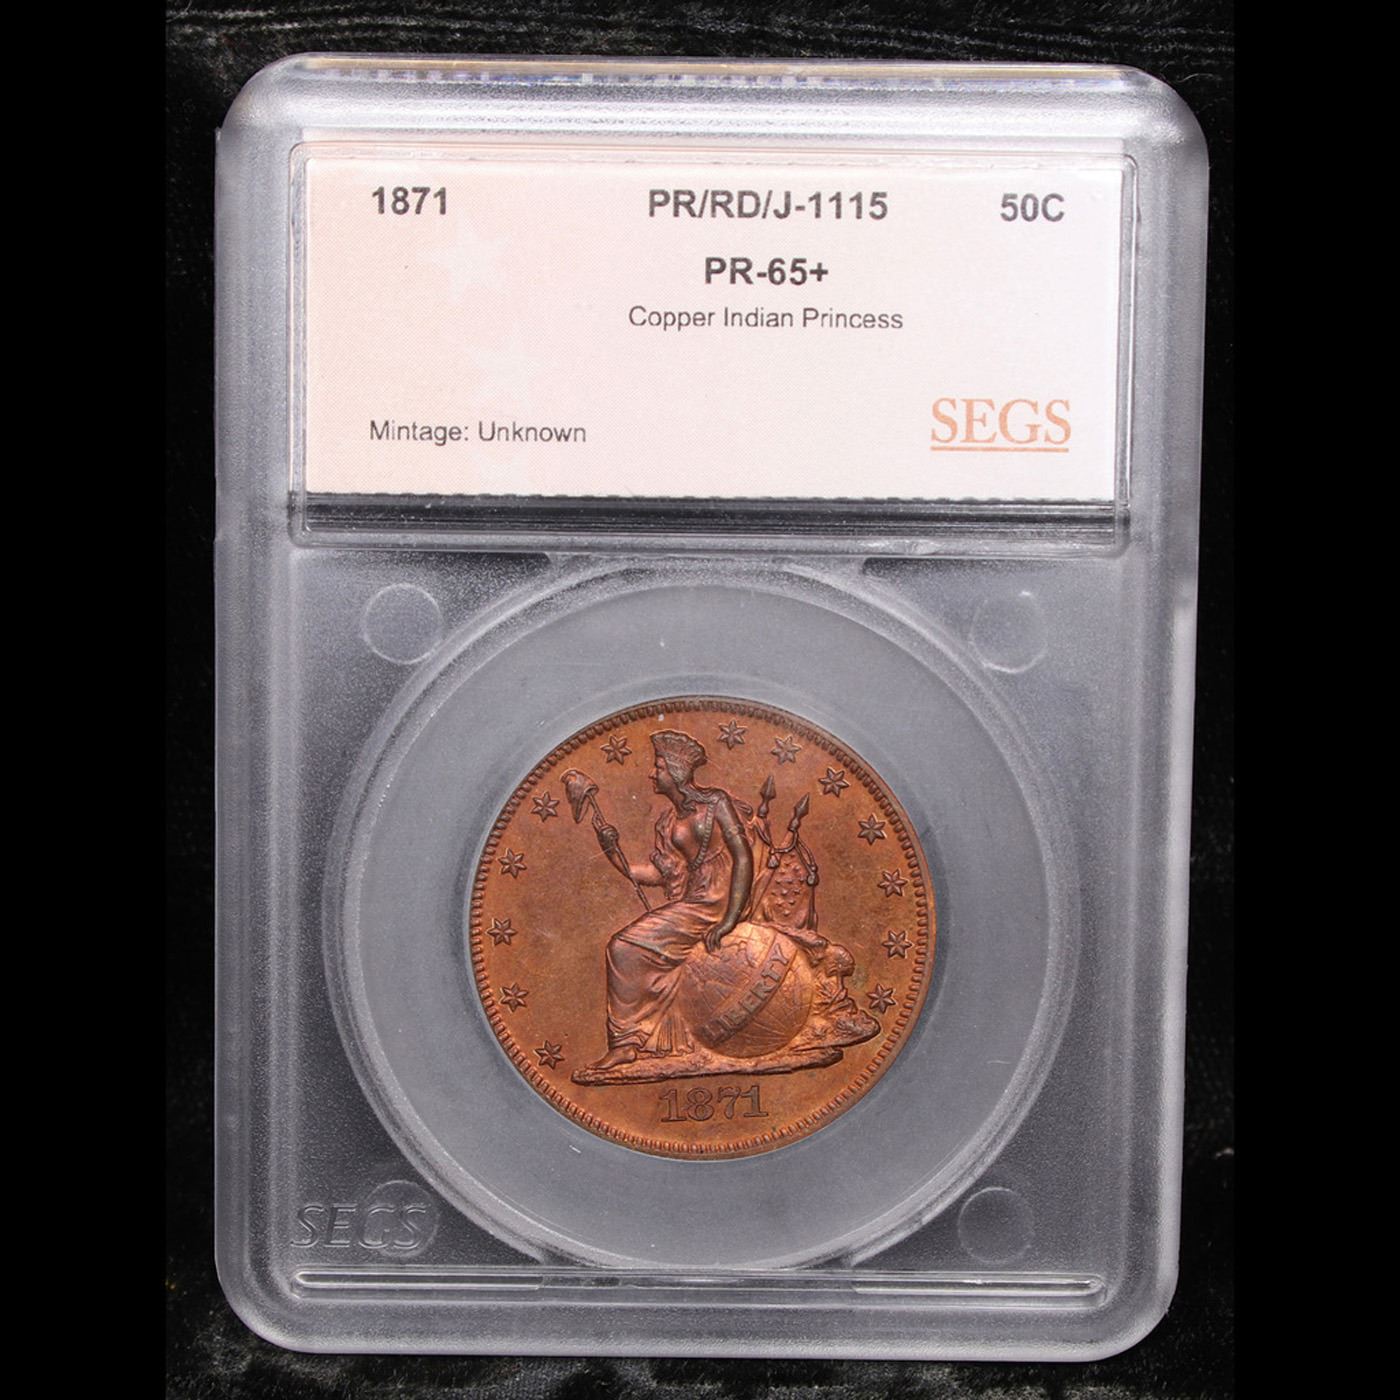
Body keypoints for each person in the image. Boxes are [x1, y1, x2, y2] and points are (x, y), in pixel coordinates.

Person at [588, 730, 753, 1071]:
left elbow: (743, 856)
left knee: (622, 947)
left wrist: (730, 918)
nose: (652, 774)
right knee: (625, 949)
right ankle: (631, 1041)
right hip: (694, 903)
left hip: (716, 903)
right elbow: (654, 874)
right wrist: (611, 851)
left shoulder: (716, 802)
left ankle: (625, 1042)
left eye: (659, 767)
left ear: (676, 771)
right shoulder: (666, 823)